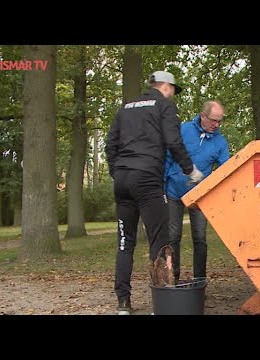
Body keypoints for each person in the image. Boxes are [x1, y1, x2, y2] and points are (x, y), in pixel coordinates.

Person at [105, 70, 203, 315]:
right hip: (147, 178)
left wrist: (116, 172)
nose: (172, 95)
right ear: (166, 87)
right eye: (172, 90)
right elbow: (173, 140)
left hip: (123, 180)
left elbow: (110, 144)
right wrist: (190, 170)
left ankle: (123, 303)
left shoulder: (126, 107)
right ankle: (163, 304)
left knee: (125, 243)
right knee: (160, 241)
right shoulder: (164, 106)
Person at [164, 100, 230, 283]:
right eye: (213, 120)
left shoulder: (220, 142)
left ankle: (199, 280)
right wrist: (162, 185)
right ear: (202, 116)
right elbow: (168, 156)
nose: (216, 125)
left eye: (219, 121)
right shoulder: (183, 130)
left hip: (201, 196)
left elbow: (225, 170)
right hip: (173, 192)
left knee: (200, 238)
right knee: (173, 236)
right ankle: (173, 278)